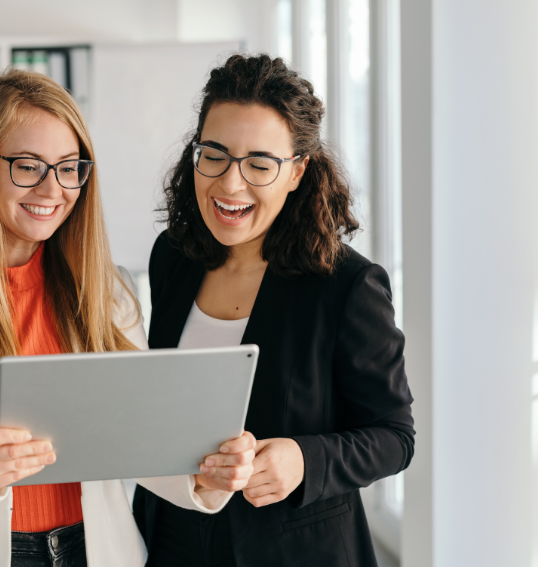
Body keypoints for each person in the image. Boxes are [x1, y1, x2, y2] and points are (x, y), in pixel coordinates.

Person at [0, 69, 256, 567]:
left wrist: (202, 474)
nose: (53, 189)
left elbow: (130, 439)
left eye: (70, 168)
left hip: (91, 549)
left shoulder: (109, 290)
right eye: (27, 166)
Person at [133, 54, 415, 567]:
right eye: (214, 155)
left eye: (259, 164)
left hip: (295, 550)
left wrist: (305, 459)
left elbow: (394, 436)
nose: (230, 185)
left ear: (297, 172)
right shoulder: (171, 256)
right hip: (172, 536)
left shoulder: (347, 285)